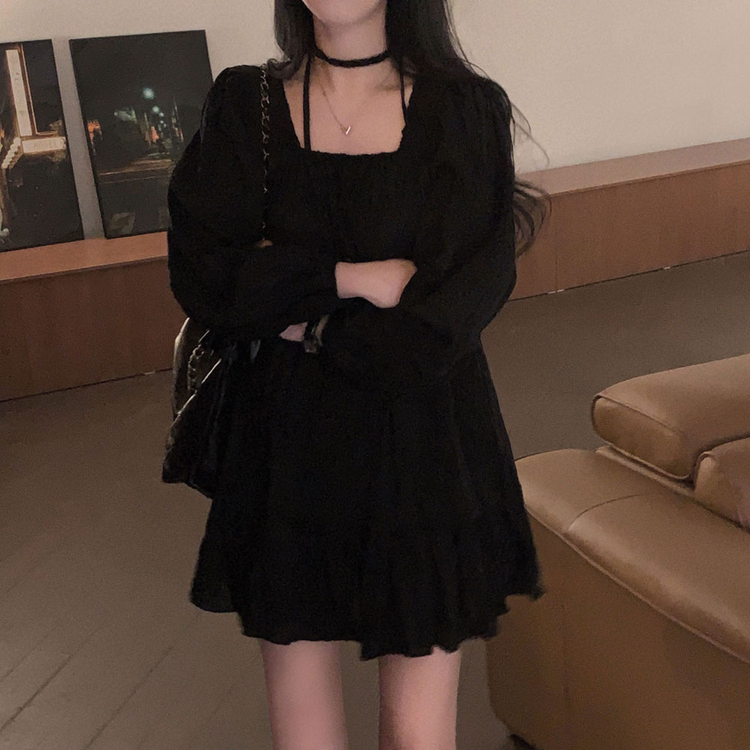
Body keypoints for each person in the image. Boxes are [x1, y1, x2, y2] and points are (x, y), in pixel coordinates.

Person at [166, 1, 549, 748]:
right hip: (287, 448)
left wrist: (301, 323)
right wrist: (356, 278)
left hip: (422, 444)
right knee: (302, 724)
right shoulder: (246, 105)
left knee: (418, 729)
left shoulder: (465, 110)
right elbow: (208, 276)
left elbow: (453, 309)